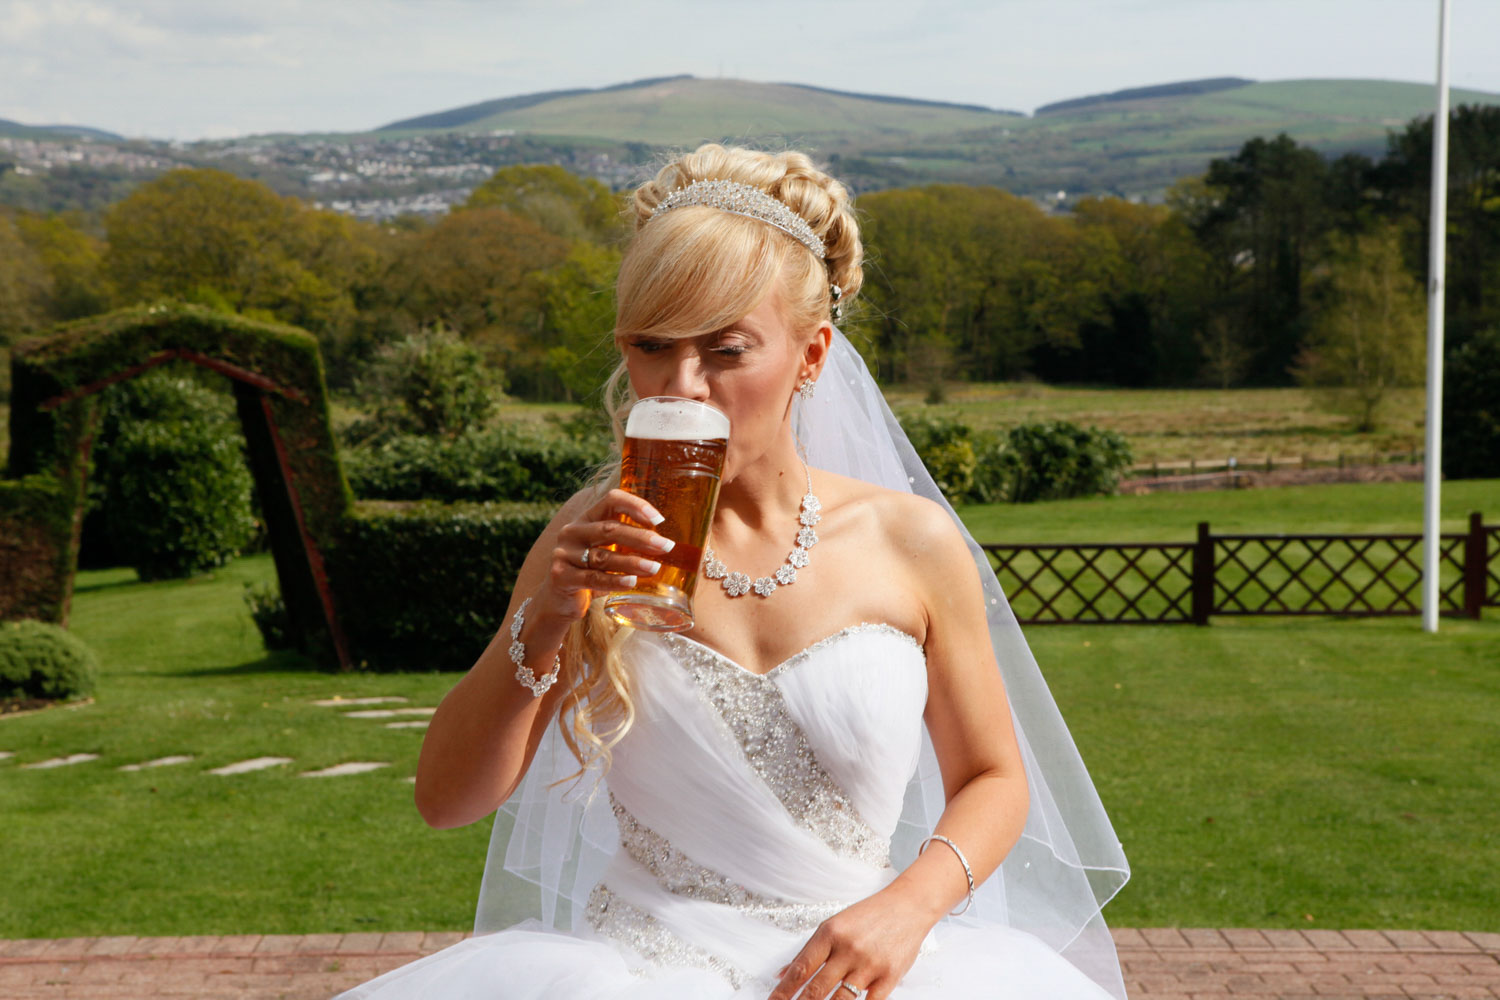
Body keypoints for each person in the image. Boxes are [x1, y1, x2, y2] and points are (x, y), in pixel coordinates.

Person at [335, 144, 1128, 1000]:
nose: (682, 386)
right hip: (635, 974)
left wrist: (908, 909)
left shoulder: (909, 542)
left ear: (812, 355)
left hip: (864, 974)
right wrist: (551, 615)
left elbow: (994, 778)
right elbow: (446, 801)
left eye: (725, 350)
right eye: (650, 346)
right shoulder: (590, 542)